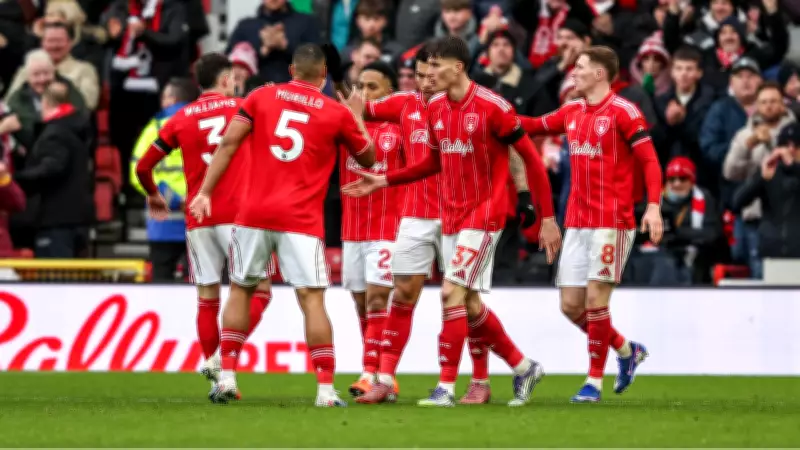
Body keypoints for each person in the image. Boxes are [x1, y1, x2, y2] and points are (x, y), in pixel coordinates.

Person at [343, 36, 561, 407]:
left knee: (452, 295)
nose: (427, 76)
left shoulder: (493, 106)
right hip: (446, 213)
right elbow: (432, 162)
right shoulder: (432, 108)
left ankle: (449, 386)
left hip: (484, 214)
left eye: (434, 67)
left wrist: (545, 214)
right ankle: (522, 367)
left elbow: (527, 158)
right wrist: (384, 180)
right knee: (463, 302)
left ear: (456, 68)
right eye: (422, 70)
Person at [189, 44, 375, 407]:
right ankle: (325, 391)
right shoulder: (335, 112)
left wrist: (205, 191)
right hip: (300, 219)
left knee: (241, 289)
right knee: (312, 299)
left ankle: (226, 378)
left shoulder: (260, 97)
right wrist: (356, 117)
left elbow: (228, 144)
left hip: (253, 213)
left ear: (291, 70)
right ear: (324, 75)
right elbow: (368, 158)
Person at [519, 46, 664, 403]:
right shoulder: (572, 110)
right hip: (577, 220)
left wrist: (653, 207)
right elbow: (534, 126)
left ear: (600, 74)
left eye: (580, 67)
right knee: (571, 305)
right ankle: (627, 350)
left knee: (597, 300)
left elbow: (649, 161)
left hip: (612, 221)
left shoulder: (625, 112)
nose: (574, 72)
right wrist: (493, 114)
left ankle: (593, 382)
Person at [135, 53, 275, 398]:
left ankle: (219, 377)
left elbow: (143, 167)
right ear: (225, 79)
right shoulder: (244, 109)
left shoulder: (180, 117)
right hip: (241, 216)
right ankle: (224, 362)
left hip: (199, 217)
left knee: (207, 298)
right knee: (259, 291)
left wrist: (154, 195)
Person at [339, 61, 404, 400]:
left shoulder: (400, 127)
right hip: (352, 229)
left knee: (379, 298)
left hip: (388, 227)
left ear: (389, 92)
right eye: (360, 86)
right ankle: (383, 377)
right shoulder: (344, 126)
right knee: (362, 302)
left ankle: (369, 373)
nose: (364, 93)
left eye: (372, 87)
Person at [13, 81, 93, 258]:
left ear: (45, 103)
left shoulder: (55, 133)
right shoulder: (75, 129)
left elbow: (52, 168)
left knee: (54, 273)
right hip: (77, 218)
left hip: (56, 218)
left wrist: (15, 179)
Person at [130, 78, 198, 282]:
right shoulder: (207, 125)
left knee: (162, 282)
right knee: (203, 286)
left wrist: (171, 198)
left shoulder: (155, 128)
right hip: (202, 219)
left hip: (163, 222)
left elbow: (137, 172)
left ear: (171, 99)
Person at [733, 122, 800, 260]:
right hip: (771, 249)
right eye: (785, 145)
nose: (790, 150)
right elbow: (736, 202)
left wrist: (793, 166)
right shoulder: (770, 172)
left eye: (797, 146)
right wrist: (760, 179)